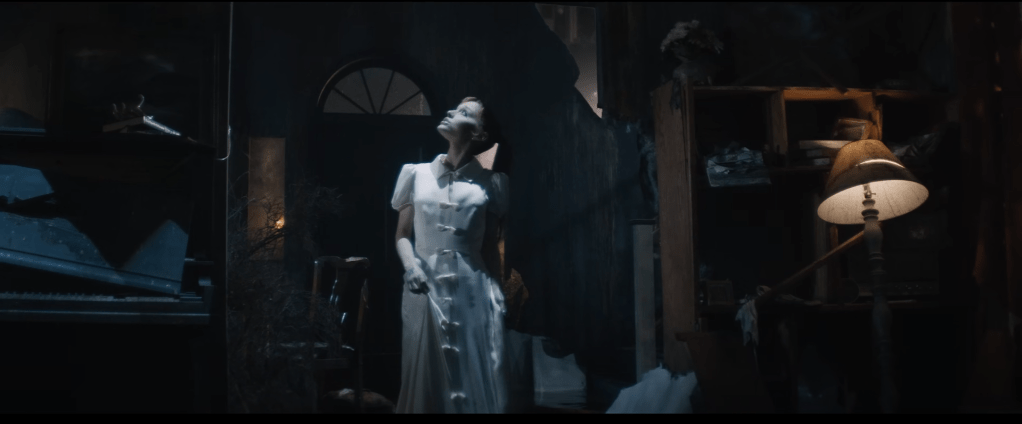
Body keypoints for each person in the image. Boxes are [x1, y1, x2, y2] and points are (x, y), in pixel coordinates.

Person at [391, 97, 509, 413]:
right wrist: (411, 266)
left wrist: (497, 289)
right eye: (455, 108)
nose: (450, 113)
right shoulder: (416, 174)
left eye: (463, 112)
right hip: (424, 285)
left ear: (480, 134)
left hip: (473, 289)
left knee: (471, 371)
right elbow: (402, 235)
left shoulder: (491, 183)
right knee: (425, 372)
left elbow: (490, 246)